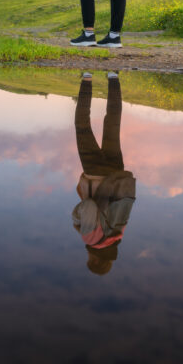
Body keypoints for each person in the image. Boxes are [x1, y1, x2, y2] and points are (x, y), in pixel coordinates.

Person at [71, 71, 136, 276]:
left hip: (116, 174)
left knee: (112, 125)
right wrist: (76, 219)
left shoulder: (118, 234)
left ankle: (113, 78)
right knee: (82, 126)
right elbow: (89, 206)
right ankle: (87, 79)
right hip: (94, 173)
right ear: (94, 259)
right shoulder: (92, 239)